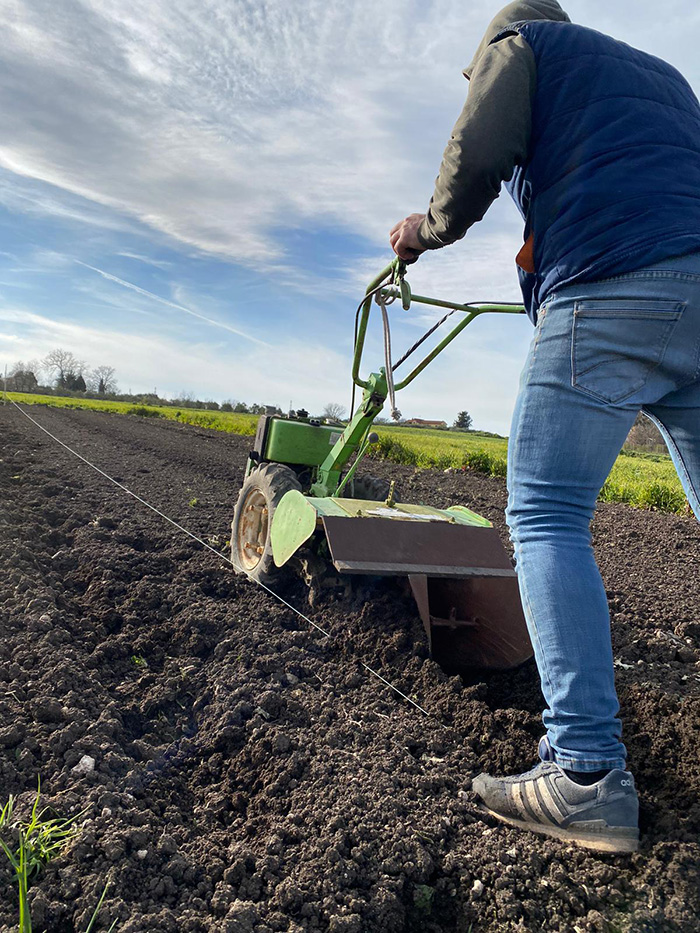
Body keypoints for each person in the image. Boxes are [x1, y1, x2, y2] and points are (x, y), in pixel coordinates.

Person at [390, 0, 700, 854]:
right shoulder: (664, 78)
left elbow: (474, 154)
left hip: (610, 277)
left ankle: (587, 774)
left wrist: (427, 229)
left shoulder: (518, 45)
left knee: (545, 511)